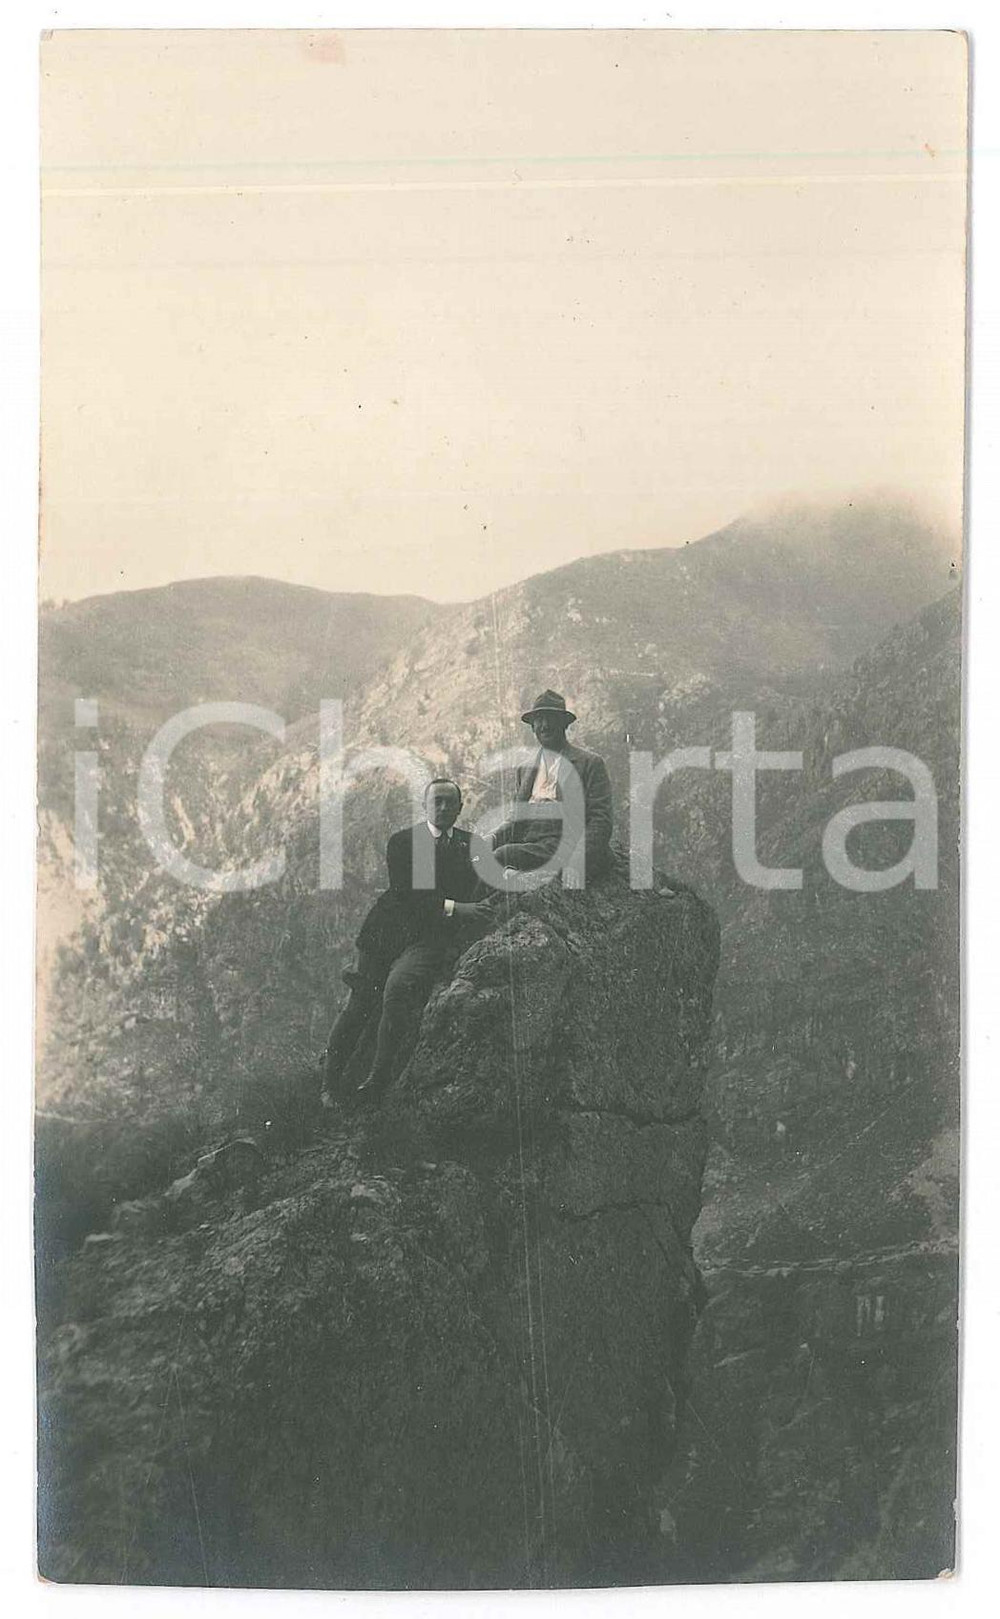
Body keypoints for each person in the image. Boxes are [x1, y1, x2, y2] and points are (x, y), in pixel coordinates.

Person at [321, 778, 493, 1108]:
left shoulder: (471, 845)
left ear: (460, 809)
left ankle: (377, 1080)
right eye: (436, 802)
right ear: (424, 806)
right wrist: (460, 909)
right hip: (385, 935)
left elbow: (484, 880)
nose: (443, 808)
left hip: (427, 936)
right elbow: (409, 893)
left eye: (449, 803)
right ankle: (329, 1083)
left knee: (396, 990)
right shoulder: (403, 842)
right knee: (360, 1003)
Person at [491, 690, 614, 884]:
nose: (545, 726)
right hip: (532, 846)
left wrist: (577, 861)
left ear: (564, 724)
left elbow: (601, 820)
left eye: (551, 719)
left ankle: (474, 913)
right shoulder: (525, 769)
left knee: (502, 855)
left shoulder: (589, 763)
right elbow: (517, 819)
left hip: (567, 845)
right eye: (539, 720)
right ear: (532, 726)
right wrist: (492, 838)